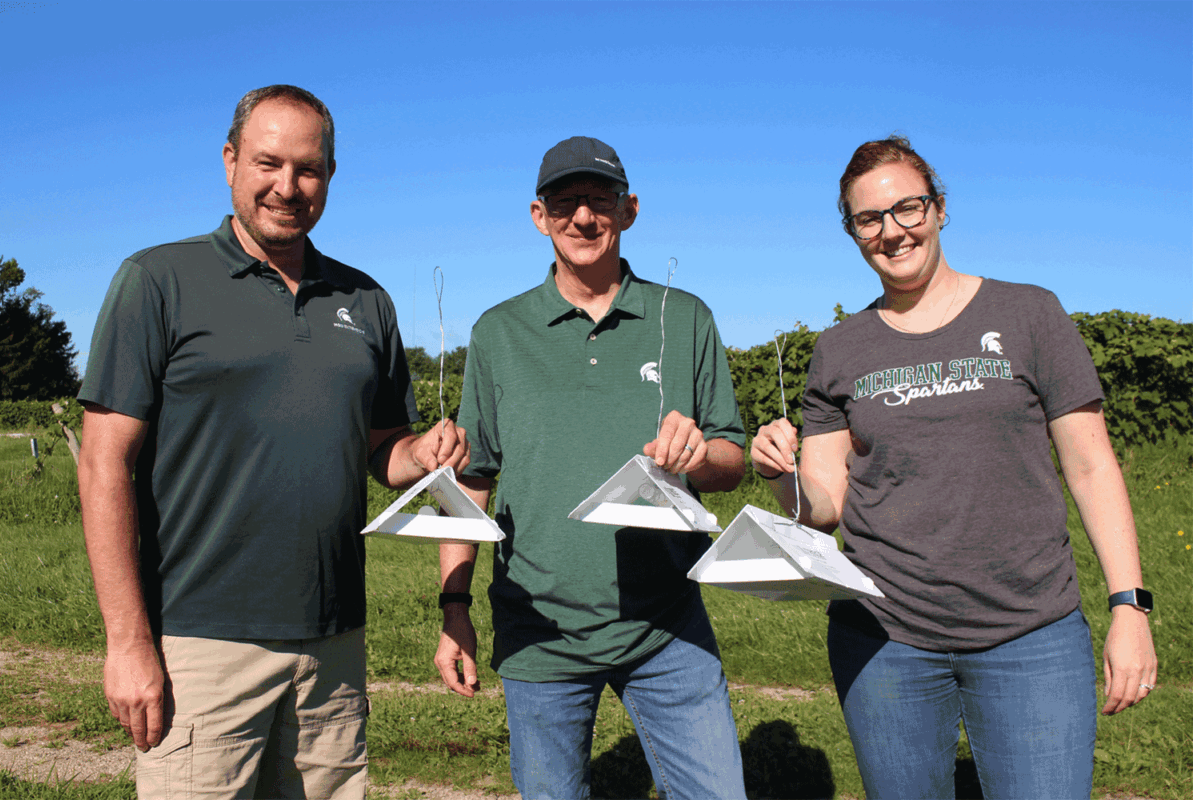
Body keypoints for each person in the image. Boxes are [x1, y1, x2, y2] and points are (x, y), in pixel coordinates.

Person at [77, 84, 469, 800]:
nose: (288, 186)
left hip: (333, 644)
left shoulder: (366, 300)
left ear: (330, 175)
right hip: (200, 644)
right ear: (231, 161)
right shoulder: (158, 281)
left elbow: (383, 449)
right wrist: (127, 642)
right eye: (268, 163)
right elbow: (105, 466)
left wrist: (422, 455)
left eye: (308, 168)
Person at [752, 135, 1158, 799]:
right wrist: (780, 475)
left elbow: (1091, 466)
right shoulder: (839, 349)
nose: (892, 231)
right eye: (868, 219)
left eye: (907, 208)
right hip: (884, 640)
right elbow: (823, 507)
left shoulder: (1030, 314)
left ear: (939, 208)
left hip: (1031, 633)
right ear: (852, 232)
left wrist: (1129, 607)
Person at [432, 136, 748, 800]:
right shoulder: (498, 332)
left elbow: (731, 460)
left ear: (629, 210)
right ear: (538, 216)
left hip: (668, 628)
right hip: (539, 632)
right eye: (564, 202)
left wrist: (701, 455)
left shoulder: (685, 317)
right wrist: (454, 607)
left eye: (600, 200)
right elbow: (473, 479)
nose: (582, 217)